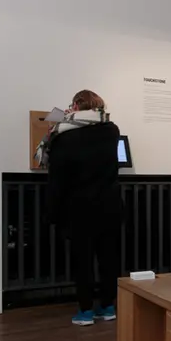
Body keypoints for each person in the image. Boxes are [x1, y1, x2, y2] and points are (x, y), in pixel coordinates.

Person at [45, 90, 122, 326]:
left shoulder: (63, 138)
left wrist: (53, 213)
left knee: (83, 261)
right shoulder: (112, 130)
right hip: (110, 206)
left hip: (79, 208)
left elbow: (57, 178)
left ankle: (86, 311)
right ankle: (108, 307)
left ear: (76, 106)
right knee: (108, 259)